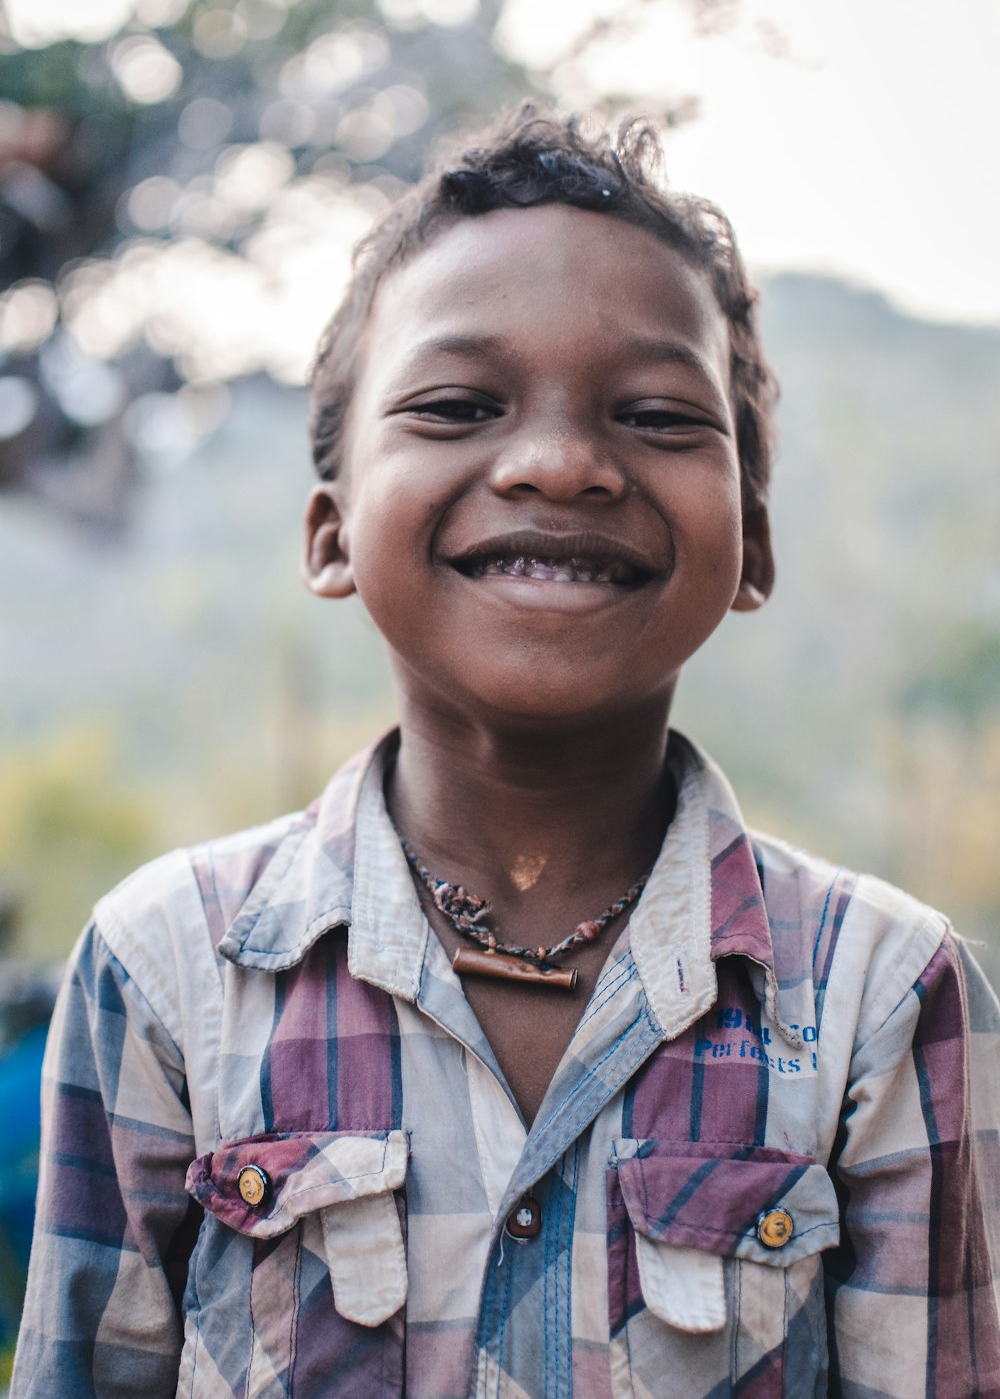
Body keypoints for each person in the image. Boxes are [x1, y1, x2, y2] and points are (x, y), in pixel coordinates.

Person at [11, 105, 1000, 1399]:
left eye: (655, 415)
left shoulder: (885, 995)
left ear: (752, 543)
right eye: (459, 405)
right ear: (331, 532)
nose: (560, 462)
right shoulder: (166, 965)